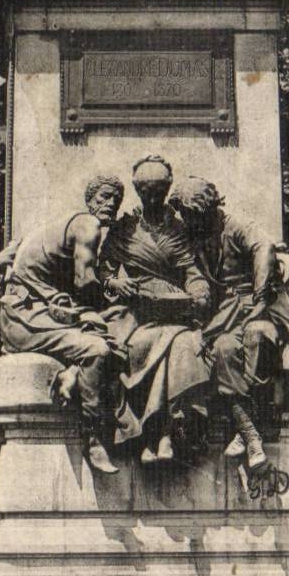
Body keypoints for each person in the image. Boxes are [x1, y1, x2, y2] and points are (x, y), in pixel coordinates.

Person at [169, 178, 289, 471]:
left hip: (256, 308)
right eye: (184, 216)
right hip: (222, 315)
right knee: (223, 350)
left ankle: (247, 433)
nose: (187, 221)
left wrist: (260, 297)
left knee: (256, 338)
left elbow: (263, 246)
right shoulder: (194, 235)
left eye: (191, 215)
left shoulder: (235, 225)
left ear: (206, 209)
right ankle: (250, 434)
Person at [0, 175, 126, 475]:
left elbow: (11, 255)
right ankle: (92, 437)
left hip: (29, 313)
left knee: (102, 333)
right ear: (90, 200)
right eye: (104, 198)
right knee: (98, 348)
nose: (110, 205)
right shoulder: (87, 226)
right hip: (27, 319)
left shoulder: (56, 227)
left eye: (116, 201)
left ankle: (72, 374)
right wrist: (117, 293)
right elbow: (85, 281)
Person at [100, 156, 212, 462]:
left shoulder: (178, 229)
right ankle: (153, 437)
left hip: (175, 316)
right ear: (138, 190)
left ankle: (164, 437)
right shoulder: (124, 229)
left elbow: (192, 271)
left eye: (159, 190)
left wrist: (199, 291)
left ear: (166, 190)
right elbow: (104, 272)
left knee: (185, 344)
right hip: (135, 315)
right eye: (147, 191)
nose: (153, 197)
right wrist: (115, 284)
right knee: (137, 346)